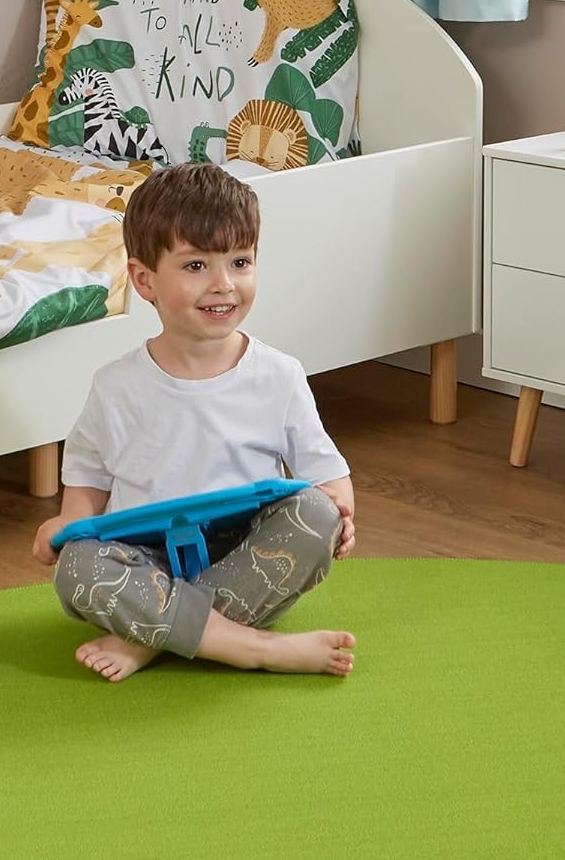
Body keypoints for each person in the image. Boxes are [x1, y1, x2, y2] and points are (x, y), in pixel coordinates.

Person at [33, 162, 357, 682]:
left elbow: (327, 476)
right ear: (145, 280)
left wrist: (341, 512)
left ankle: (151, 636)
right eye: (196, 266)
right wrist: (68, 526)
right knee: (77, 568)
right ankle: (253, 646)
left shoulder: (279, 375)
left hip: (245, 554)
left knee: (316, 515)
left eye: (240, 262)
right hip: (144, 558)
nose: (223, 284)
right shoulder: (115, 385)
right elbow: (89, 479)